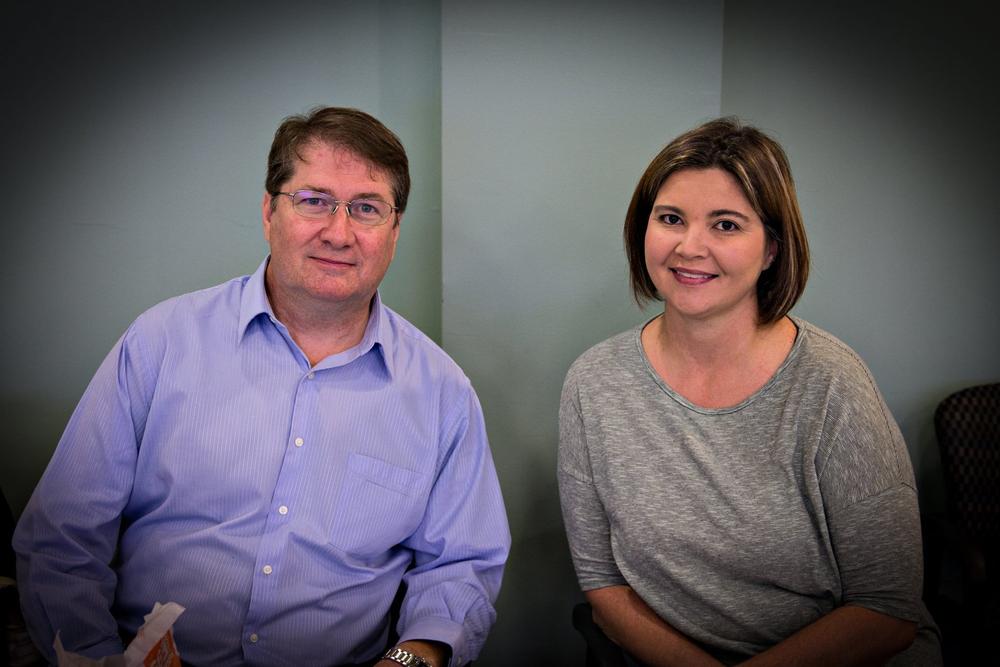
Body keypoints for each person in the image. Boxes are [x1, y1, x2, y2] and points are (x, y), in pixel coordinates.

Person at [14, 106, 510, 667]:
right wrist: (97, 658)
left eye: (366, 209)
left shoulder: (442, 392)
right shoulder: (161, 342)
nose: (338, 232)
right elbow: (61, 541)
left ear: (394, 231)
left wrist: (408, 662)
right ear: (269, 210)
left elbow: (460, 569)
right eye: (314, 200)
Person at [557, 117, 941, 666]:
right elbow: (602, 585)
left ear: (771, 250)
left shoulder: (832, 384)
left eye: (726, 225)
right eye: (671, 219)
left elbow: (888, 609)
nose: (691, 247)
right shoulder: (593, 382)